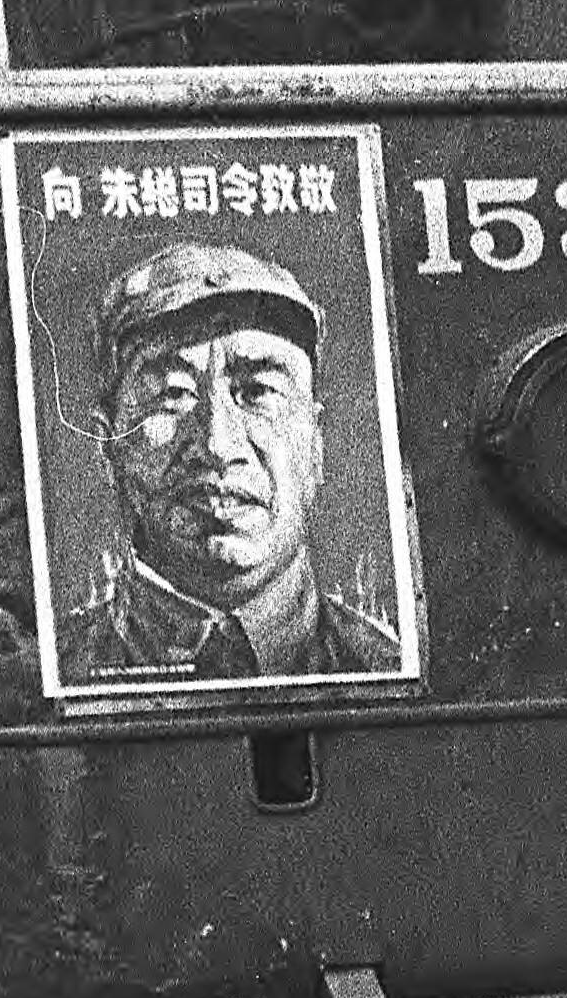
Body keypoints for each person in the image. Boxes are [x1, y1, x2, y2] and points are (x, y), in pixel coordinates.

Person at [51, 239, 403, 685]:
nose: (218, 444)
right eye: (173, 394)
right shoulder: (51, 676)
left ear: (316, 442)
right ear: (108, 445)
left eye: (257, 392)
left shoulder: (385, 668)